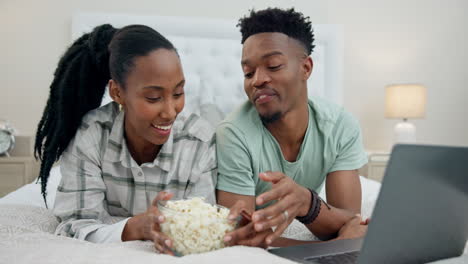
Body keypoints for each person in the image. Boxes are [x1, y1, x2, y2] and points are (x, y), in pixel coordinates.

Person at [34, 24, 216, 254]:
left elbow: (203, 227)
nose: (170, 111)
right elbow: (74, 227)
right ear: (117, 93)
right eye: (153, 97)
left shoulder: (199, 142)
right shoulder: (91, 135)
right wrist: (135, 227)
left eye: (178, 93)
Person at [216, 8, 368, 248]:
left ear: (306, 68)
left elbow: (349, 221)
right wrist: (326, 248)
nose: (257, 80)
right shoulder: (233, 134)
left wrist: (308, 203)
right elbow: (241, 236)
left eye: (273, 66)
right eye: (248, 72)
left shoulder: (339, 126)